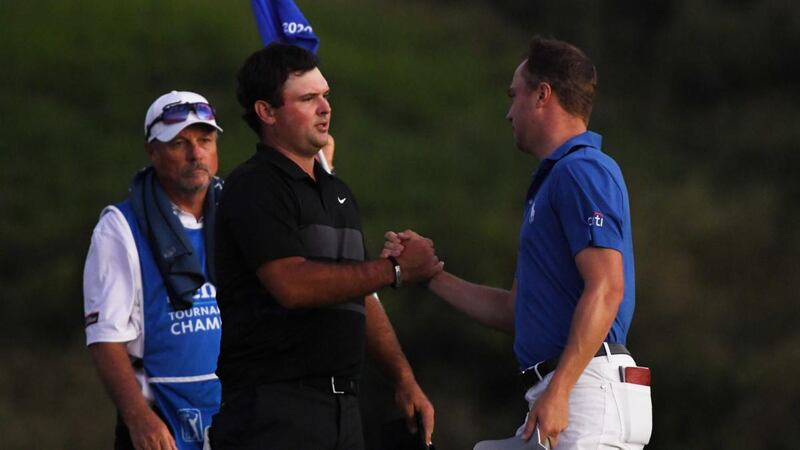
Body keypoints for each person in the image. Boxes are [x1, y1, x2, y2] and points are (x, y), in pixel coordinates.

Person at [385, 36, 653, 449]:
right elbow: (515, 310)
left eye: (515, 96)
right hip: (572, 390)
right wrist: (430, 274)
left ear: (543, 94)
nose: (509, 113)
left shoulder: (581, 170)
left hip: (586, 393)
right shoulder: (555, 180)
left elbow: (607, 287)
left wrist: (560, 389)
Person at [210, 42, 441, 450]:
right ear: (267, 112)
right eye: (308, 98)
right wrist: (395, 270)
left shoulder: (337, 192)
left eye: (325, 96)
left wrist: (404, 379)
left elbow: (358, 293)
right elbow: (292, 284)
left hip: (341, 410)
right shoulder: (255, 186)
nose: (325, 107)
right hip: (272, 409)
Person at [83, 90, 225, 450]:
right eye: (179, 143)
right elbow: (105, 338)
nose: (196, 154)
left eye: (205, 140)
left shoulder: (238, 210)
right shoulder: (120, 226)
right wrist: (139, 419)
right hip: (161, 421)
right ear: (152, 151)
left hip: (234, 414)